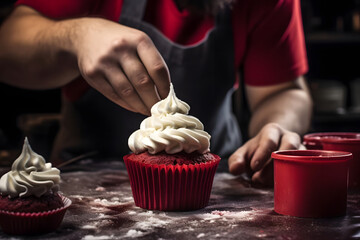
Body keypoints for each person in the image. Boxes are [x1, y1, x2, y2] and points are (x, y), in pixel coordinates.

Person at [0, 0, 312, 185]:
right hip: (86, 181)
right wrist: (75, 36)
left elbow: (285, 91)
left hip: (216, 183)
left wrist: (279, 126)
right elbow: (7, 47)